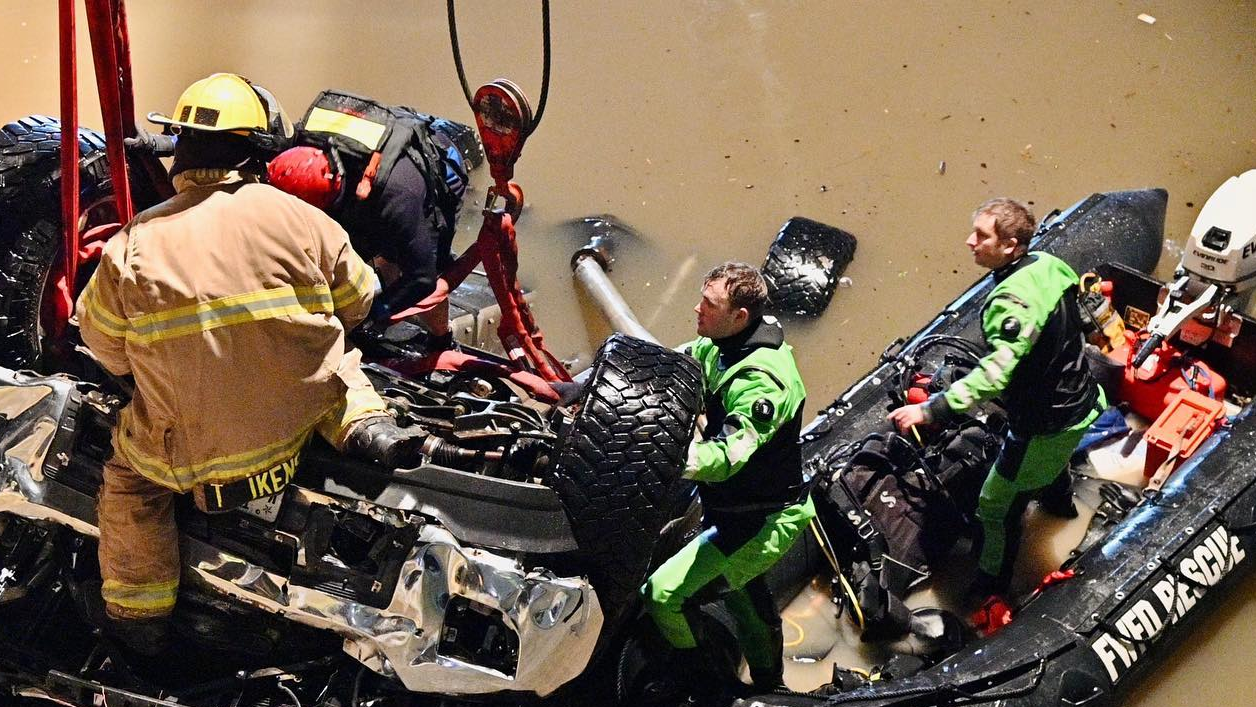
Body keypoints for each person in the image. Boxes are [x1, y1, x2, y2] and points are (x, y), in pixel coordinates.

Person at [78, 73, 427, 649]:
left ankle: (139, 622)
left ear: (179, 152)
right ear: (257, 150)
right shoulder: (301, 217)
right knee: (336, 361)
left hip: (184, 459)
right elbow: (358, 304)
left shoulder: (132, 244)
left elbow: (107, 350)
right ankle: (364, 426)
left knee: (131, 491)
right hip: (292, 433)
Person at [886, 198, 1105, 600]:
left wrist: (929, 408)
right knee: (1048, 469)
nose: (970, 242)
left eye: (981, 236)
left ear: (1010, 246)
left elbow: (994, 372)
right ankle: (1062, 511)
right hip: (1085, 400)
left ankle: (991, 586)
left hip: (1046, 423)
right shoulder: (1047, 264)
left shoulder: (1008, 302)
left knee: (994, 504)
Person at [641, 262, 815, 694]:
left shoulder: (763, 382)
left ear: (739, 317)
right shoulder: (718, 344)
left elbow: (726, 456)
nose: (696, 308)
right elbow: (671, 368)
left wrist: (659, 456)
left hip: (764, 520)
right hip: (732, 509)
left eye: (708, 304)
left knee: (662, 594)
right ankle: (771, 682)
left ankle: (701, 677)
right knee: (743, 594)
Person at [267, 90, 472, 344]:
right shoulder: (292, 152)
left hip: (437, 168)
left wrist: (373, 315)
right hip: (371, 155)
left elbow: (422, 279)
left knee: (401, 258)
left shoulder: (397, 198)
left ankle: (442, 338)